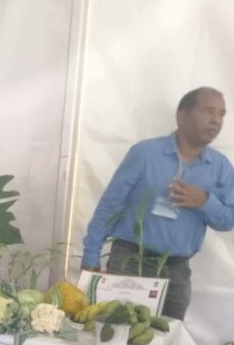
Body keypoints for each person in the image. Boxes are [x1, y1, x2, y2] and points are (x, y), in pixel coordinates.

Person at [81, 86, 234, 320]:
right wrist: (91, 255)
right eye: (209, 112)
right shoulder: (145, 153)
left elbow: (228, 221)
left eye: (221, 114)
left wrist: (204, 202)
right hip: (130, 265)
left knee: (168, 338)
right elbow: (110, 205)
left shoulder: (221, 167)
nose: (216, 120)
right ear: (182, 116)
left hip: (177, 273)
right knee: (122, 334)